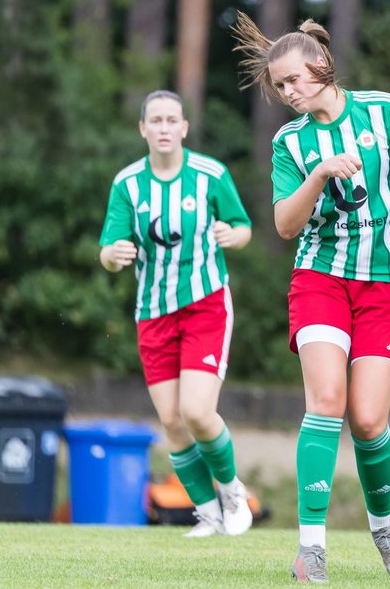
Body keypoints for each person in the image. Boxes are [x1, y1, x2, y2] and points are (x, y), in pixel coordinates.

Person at [232, 13, 390, 584]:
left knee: (368, 419)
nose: (289, 92)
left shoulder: (384, 111)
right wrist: (319, 174)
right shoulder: (291, 143)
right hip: (321, 277)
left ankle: (385, 530)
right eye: (280, 86)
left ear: (323, 67)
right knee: (326, 401)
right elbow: (284, 225)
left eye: (295, 79)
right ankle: (311, 547)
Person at [99, 90, 255, 538]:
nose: (164, 128)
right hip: (153, 311)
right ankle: (207, 512)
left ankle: (232, 492)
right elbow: (107, 251)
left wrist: (233, 235)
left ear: (184, 128)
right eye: (156, 121)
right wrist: (115, 254)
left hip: (205, 304)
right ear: (143, 129)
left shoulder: (210, 175)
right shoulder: (127, 184)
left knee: (197, 411)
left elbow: (243, 228)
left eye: (172, 120)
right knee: (171, 420)